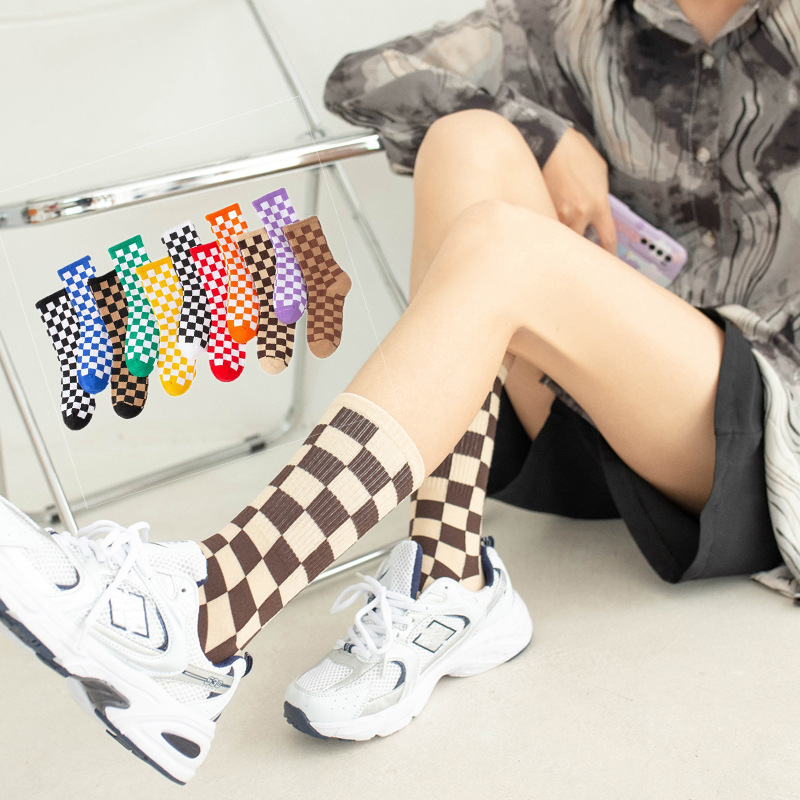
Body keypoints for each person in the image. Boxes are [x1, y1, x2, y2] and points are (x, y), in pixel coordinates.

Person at [2, 0, 800, 784]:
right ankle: (450, 576)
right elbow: (366, 77)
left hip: (760, 432)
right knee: (467, 139)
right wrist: (546, 137)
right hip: (578, 419)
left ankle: (206, 615)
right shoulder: (577, 20)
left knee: (503, 245)